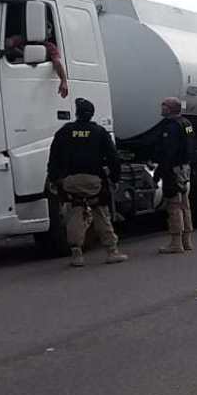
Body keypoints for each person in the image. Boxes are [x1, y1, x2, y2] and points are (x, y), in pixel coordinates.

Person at [47, 97, 128, 267]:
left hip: (71, 181)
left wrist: (54, 179)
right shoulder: (99, 132)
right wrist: (114, 178)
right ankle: (112, 251)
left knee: (74, 215)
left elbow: (53, 157)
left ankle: (77, 254)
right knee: (101, 214)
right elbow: (113, 158)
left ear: (76, 113)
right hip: (94, 181)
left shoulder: (65, 131)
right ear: (92, 114)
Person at [154, 97, 197, 254]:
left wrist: (158, 173)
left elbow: (168, 153)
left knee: (174, 206)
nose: (161, 107)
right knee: (185, 205)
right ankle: (187, 241)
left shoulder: (171, 127)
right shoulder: (187, 124)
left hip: (173, 170)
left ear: (170, 109)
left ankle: (176, 242)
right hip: (185, 168)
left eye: (163, 105)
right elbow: (193, 145)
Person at [5, 19, 70, 98]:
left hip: (35, 80)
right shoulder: (24, 39)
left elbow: (57, 62)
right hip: (16, 77)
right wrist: (21, 52)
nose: (48, 30)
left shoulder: (50, 47)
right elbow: (8, 43)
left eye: (49, 28)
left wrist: (63, 80)